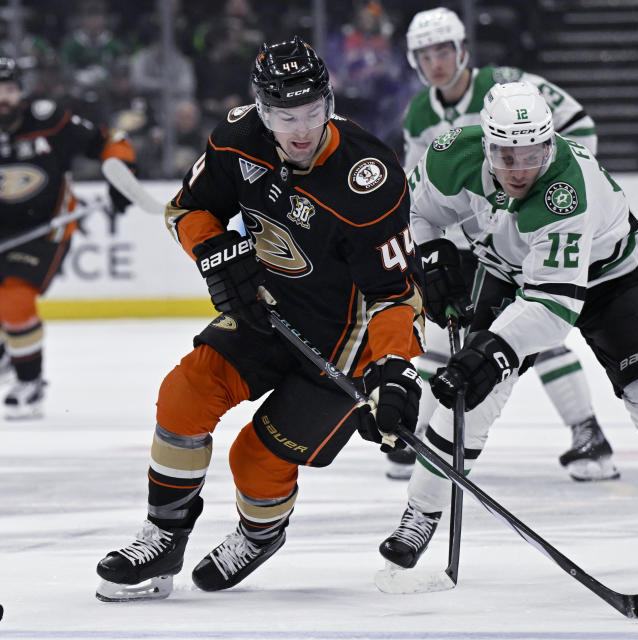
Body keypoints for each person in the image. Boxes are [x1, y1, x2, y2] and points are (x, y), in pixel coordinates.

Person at [95, 36, 424, 601]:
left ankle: (260, 532)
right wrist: (214, 250)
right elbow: (187, 209)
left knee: (256, 454)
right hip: (266, 314)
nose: (300, 129)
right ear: (261, 110)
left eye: (313, 111)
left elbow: (395, 294)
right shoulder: (237, 140)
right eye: (283, 114)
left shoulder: (367, 178)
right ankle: (165, 534)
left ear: (330, 101)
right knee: (185, 392)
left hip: (346, 343)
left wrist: (395, 371)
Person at [378, 82, 638, 571]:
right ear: (487, 145)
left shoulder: (564, 191)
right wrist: (429, 254)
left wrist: (490, 351)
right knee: (467, 400)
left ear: (550, 143)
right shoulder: (452, 155)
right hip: (509, 272)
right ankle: (421, 511)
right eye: (508, 156)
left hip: (608, 277)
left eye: (532, 153)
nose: (520, 169)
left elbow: (554, 307)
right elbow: (413, 210)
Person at [388, 5, 617, 484]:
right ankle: (425, 435)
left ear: (462, 49)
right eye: (425, 55)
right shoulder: (418, 113)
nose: (436, 63)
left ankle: (587, 431)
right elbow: (418, 186)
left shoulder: (506, 84)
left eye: (444, 50)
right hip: (470, 243)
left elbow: (580, 125)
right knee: (448, 341)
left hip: (526, 234)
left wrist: (554, 195)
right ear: (414, 61)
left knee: (530, 329)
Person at [0, 57, 134, 418]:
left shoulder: (49, 120)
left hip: (45, 227)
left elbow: (111, 140)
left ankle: (30, 384)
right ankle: (8, 348)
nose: (3, 98)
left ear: (21, 91)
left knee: (15, 298)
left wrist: (120, 170)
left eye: (9, 90)